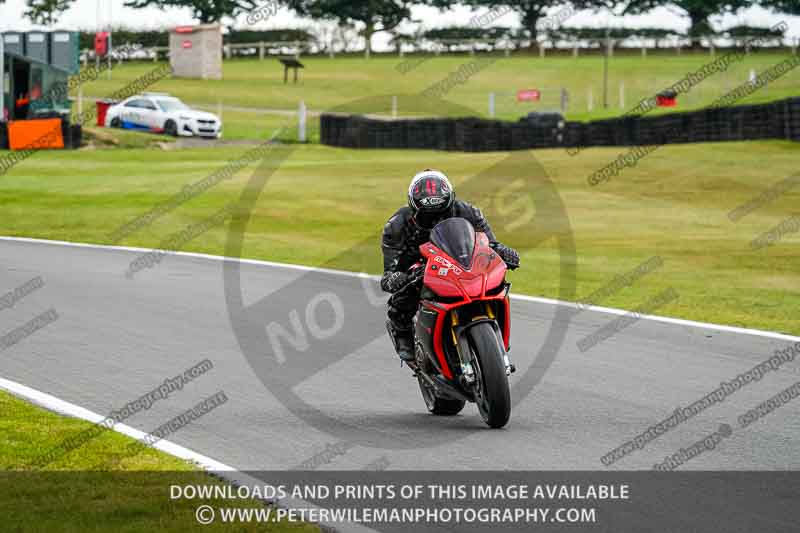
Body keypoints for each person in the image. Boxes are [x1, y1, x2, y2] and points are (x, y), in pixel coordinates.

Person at [381, 169, 520, 362]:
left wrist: (503, 252)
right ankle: (402, 331)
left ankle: (493, 337)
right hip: (419, 267)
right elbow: (388, 275)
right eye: (428, 218)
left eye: (441, 214)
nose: (435, 220)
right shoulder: (397, 225)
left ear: (450, 203)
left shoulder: (468, 212)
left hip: (460, 260)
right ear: (414, 211)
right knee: (403, 297)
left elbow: (489, 243)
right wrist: (397, 278)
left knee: (496, 280)